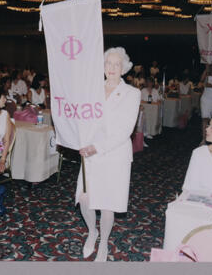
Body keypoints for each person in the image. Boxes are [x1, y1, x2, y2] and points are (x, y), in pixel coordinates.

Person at [76, 47, 141, 262]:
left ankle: (103, 243)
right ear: (102, 67)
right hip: (90, 154)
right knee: (85, 200)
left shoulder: (132, 93)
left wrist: (97, 147)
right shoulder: (91, 89)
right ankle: (92, 232)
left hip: (114, 156)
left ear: (123, 69)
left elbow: (125, 131)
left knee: (106, 203)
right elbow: (82, 119)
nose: (111, 68)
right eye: (108, 64)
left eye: (116, 64)